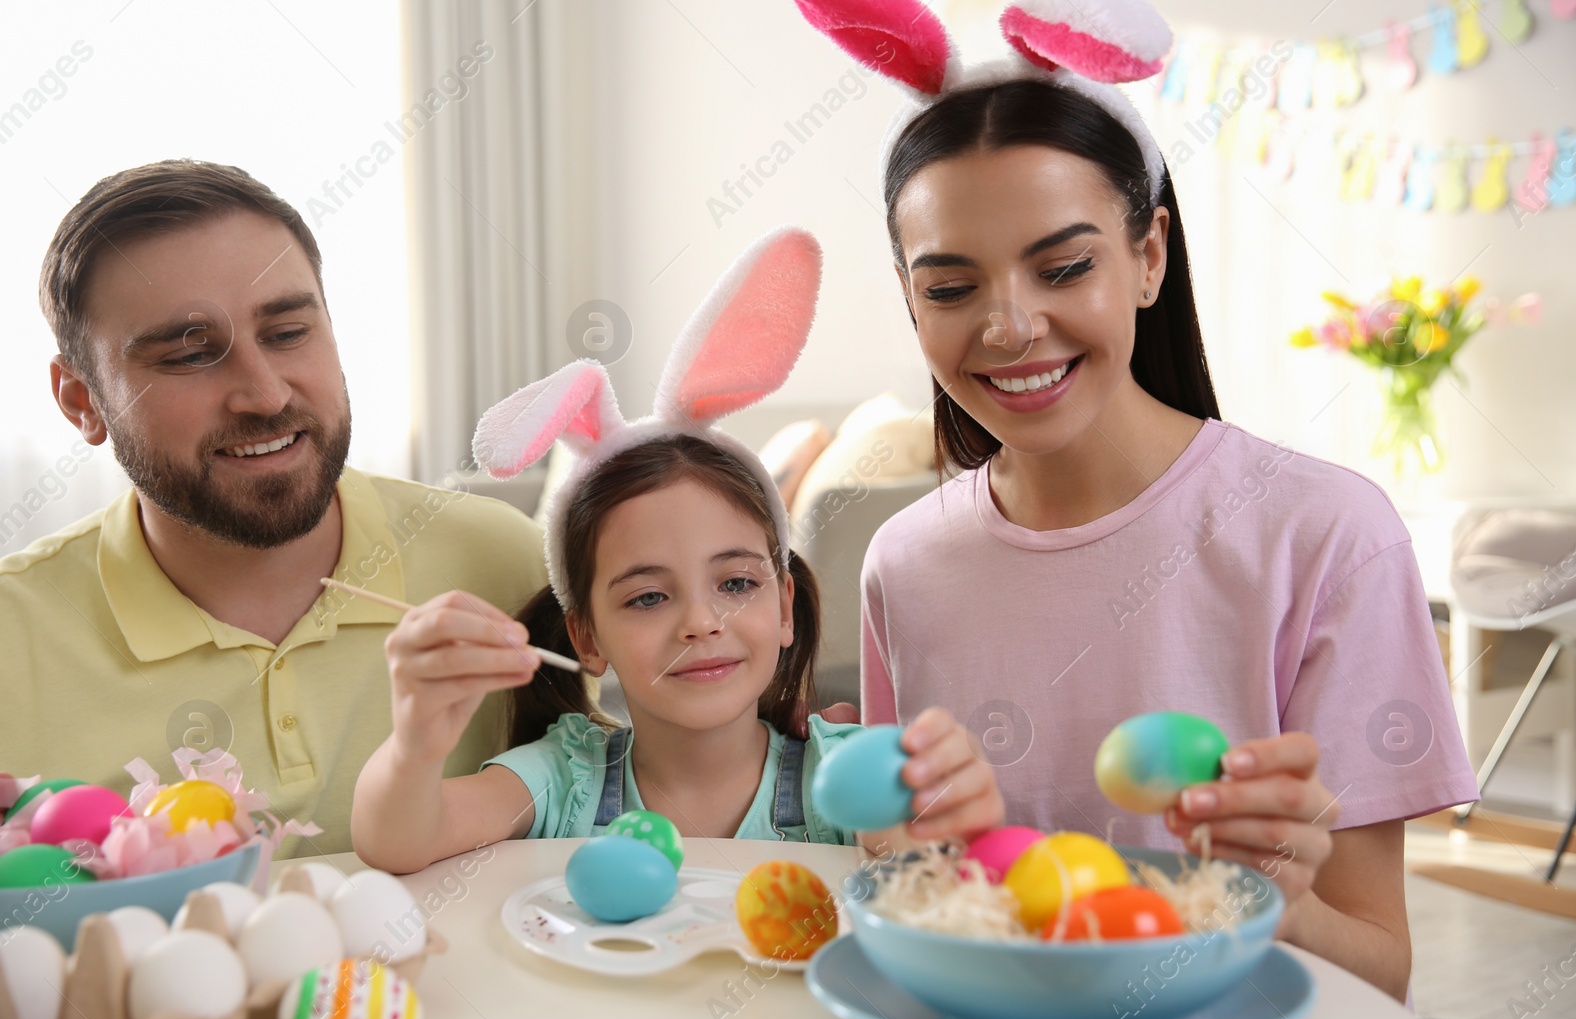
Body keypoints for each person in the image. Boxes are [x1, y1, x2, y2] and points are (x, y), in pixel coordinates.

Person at [795, 0, 1478, 1000]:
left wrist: (1275, 900)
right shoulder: (905, 561)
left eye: (1063, 265)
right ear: (909, 298)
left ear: (1148, 255)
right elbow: (915, 886)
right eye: (950, 288)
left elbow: (1382, 974)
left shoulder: (1328, 536)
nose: (1009, 326)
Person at [352, 230, 1004, 873]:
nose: (701, 621)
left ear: (784, 607)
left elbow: (928, 876)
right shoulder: (566, 773)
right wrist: (415, 745)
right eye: (649, 596)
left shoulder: (841, 773)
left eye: (736, 584)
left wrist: (946, 815)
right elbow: (399, 841)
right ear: (586, 637)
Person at [0, 160, 546, 854]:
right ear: (82, 401)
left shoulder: (505, 560)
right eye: (192, 355)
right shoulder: (11, 639)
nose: (264, 393)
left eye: (288, 334)